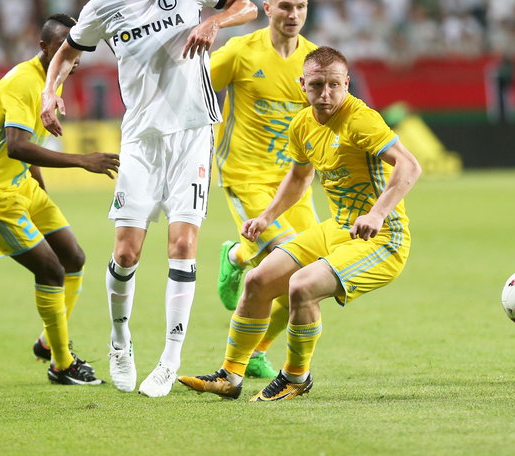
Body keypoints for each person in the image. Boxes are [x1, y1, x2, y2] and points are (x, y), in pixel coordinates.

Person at [41, 0, 257, 398]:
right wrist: (48, 93)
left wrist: (213, 21)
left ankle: (170, 359)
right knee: (126, 252)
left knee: (182, 246)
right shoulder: (103, 7)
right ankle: (120, 342)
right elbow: (66, 52)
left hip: (194, 133)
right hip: (141, 140)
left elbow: (247, 5)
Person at [178, 46, 421, 401]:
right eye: (317, 85)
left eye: (334, 85)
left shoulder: (360, 119)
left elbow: (409, 165)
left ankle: (296, 377)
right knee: (258, 280)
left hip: (383, 238)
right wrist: (266, 217)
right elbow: (298, 177)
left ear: (347, 83)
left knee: (301, 286)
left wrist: (377, 213)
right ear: (302, 84)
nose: (326, 94)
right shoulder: (303, 123)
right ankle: (229, 377)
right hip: (337, 228)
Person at [0, 14, 119, 386]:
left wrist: (39, 189)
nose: (73, 56)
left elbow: (31, 144)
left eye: (77, 49)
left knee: (74, 258)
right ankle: (62, 364)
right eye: (65, 47)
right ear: (45, 47)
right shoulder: (22, 81)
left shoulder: (52, 81)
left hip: (22, 185)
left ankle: (49, 342)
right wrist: (82, 161)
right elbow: (17, 145)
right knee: (51, 271)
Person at [211, 0, 319, 379]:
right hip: (245, 173)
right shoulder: (240, 52)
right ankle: (241, 256)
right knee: (289, 260)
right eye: (286, 6)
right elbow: (197, 89)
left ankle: (237, 258)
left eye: (301, 6)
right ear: (268, 8)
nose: (294, 14)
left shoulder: (313, 63)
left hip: (295, 182)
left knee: (311, 277)